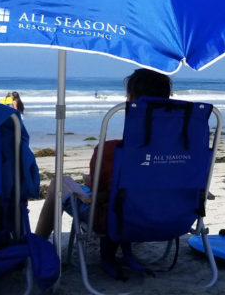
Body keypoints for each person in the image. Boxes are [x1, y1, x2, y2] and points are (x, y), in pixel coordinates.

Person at [35, 68, 171, 240]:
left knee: (58, 184)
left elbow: (98, 196)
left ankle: (38, 243)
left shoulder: (112, 150)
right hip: (168, 217)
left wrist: (91, 183)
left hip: (115, 220)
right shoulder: (182, 151)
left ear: (129, 99)